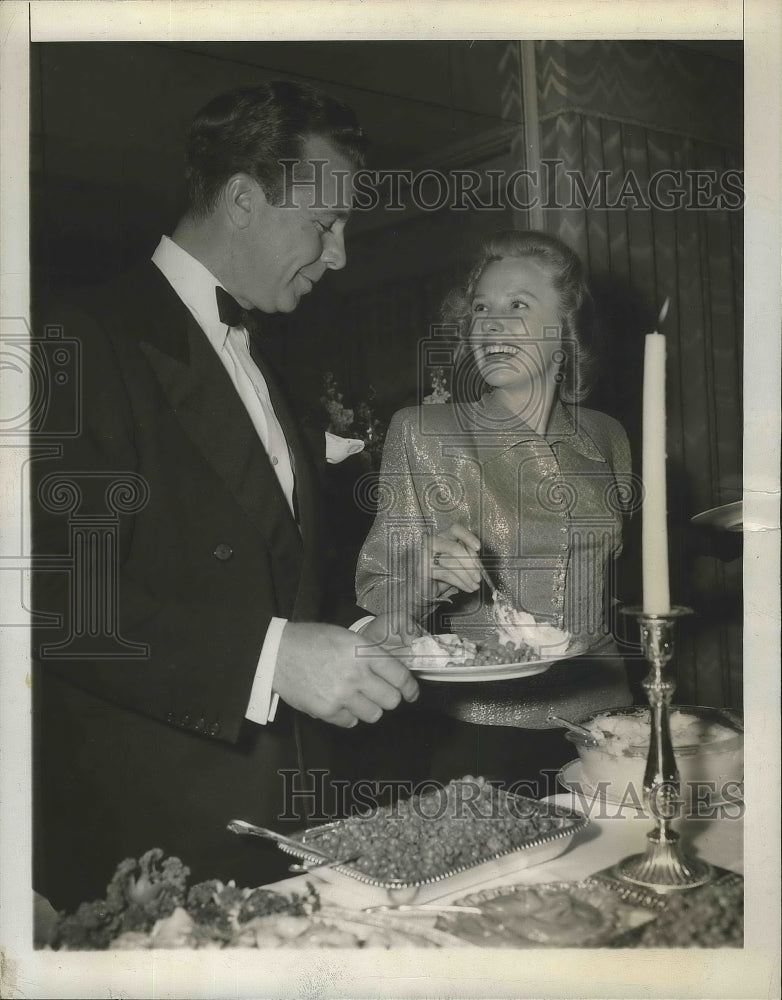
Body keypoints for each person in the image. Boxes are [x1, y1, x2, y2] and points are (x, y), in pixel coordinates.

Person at [31, 81, 418, 911]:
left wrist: (358, 629)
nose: (341, 254)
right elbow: (56, 599)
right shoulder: (78, 338)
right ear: (244, 199)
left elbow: (267, 571)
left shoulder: (262, 359)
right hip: (154, 845)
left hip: (285, 825)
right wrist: (270, 657)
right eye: (324, 224)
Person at [356, 229, 635, 790]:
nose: (491, 324)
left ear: (565, 334)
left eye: (518, 306)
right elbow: (379, 593)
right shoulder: (423, 432)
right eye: (482, 308)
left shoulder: (608, 438)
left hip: (610, 720)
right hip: (481, 734)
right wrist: (420, 576)